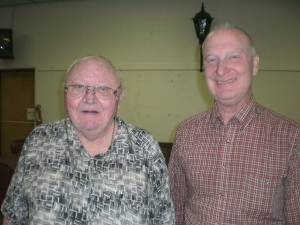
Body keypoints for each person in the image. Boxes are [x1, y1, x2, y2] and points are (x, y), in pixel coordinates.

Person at [1, 55, 176, 225]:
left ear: (119, 97)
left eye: (103, 89)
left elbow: (164, 219)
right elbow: (14, 216)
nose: (89, 98)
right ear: (64, 94)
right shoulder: (39, 141)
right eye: (78, 87)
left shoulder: (145, 147)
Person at [168, 23, 300, 224]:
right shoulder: (186, 132)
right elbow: (173, 210)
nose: (221, 70)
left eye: (233, 56)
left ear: (255, 64)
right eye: (212, 59)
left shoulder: (290, 138)